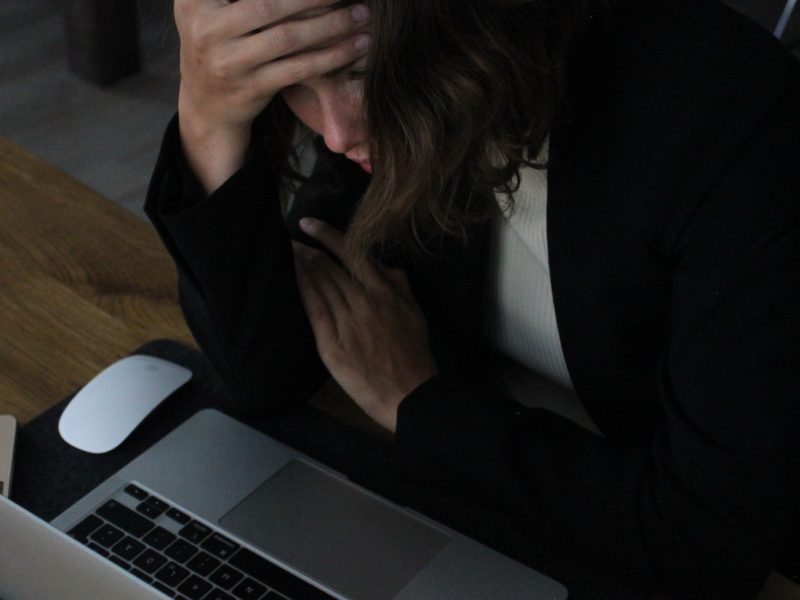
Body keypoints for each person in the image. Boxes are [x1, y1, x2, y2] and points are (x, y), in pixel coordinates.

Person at [145, 0, 800, 598]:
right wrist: (207, 117)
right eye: (291, 86)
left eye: (358, 73)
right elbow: (270, 369)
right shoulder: (391, 93)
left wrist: (416, 400)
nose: (337, 135)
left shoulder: (726, 126)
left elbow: (706, 546)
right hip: (511, 522)